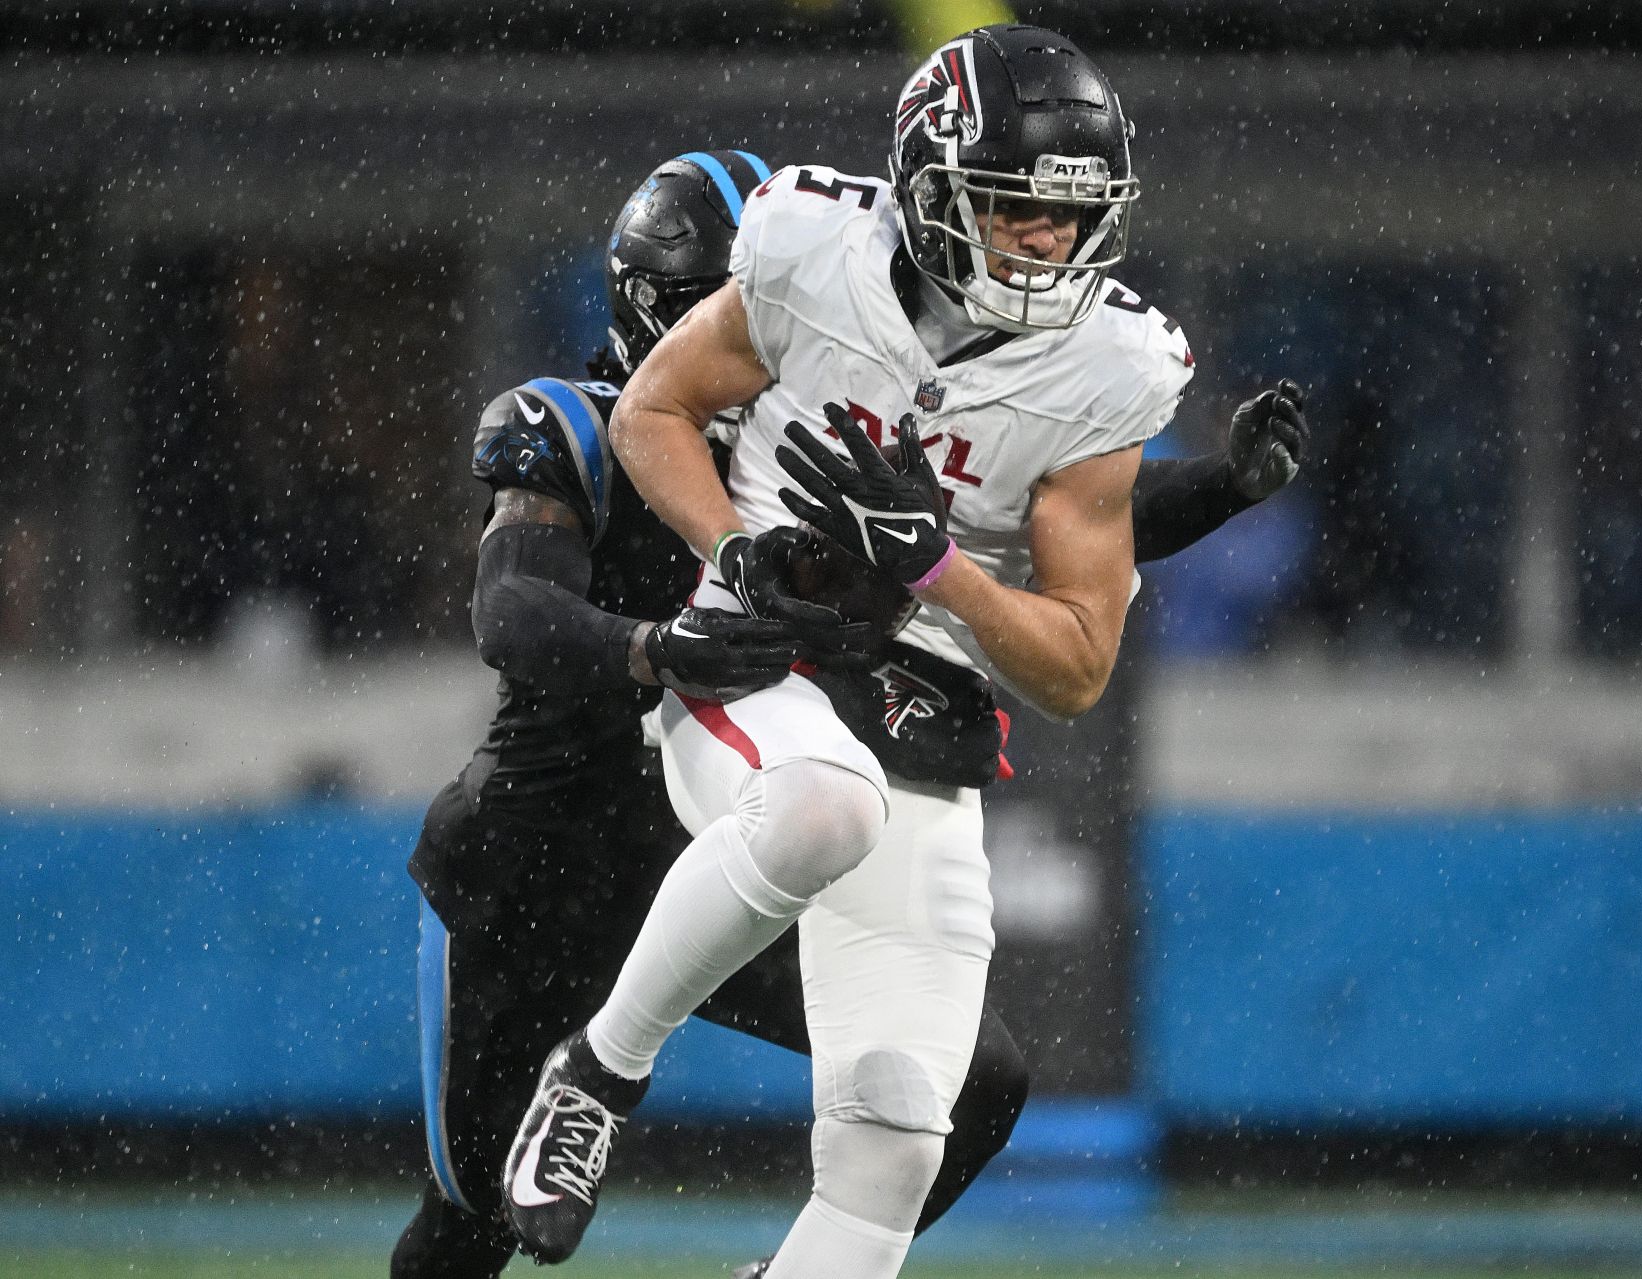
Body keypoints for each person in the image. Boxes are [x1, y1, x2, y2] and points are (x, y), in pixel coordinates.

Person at [500, 27, 1306, 1279]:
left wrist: (939, 568)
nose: (1049, 243)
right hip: (771, 658)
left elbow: (1079, 663)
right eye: (1015, 208)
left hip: (924, 710)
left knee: (895, 1142)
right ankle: (598, 1072)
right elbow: (656, 410)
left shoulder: (1109, 366)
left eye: (1070, 216)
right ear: (931, 187)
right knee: (821, 806)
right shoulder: (810, 247)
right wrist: (735, 554)